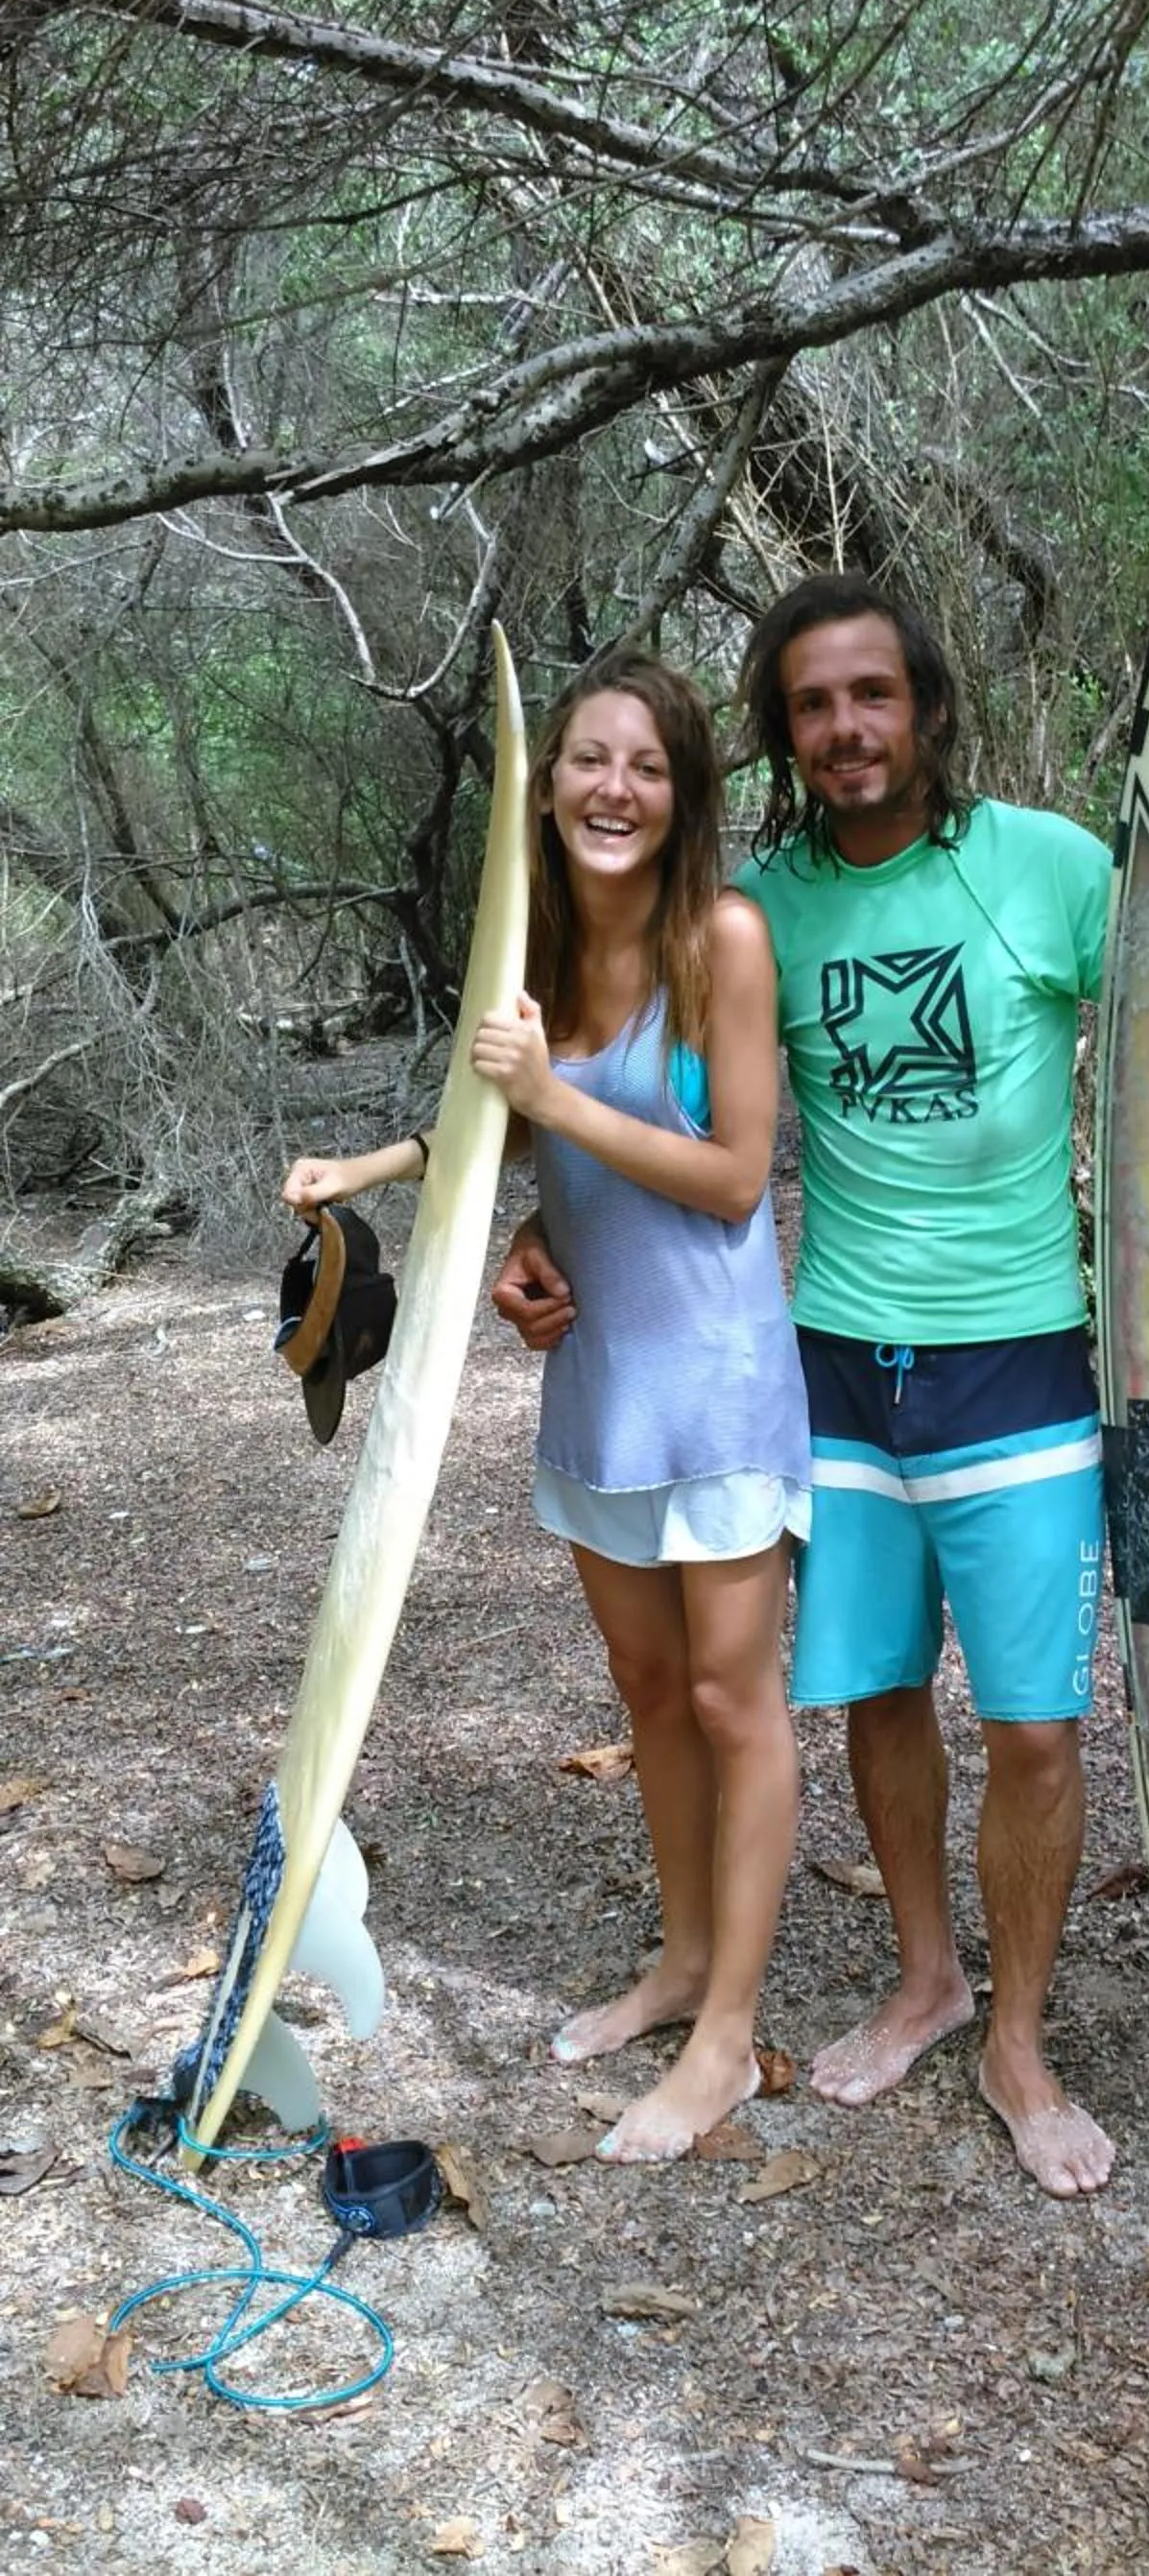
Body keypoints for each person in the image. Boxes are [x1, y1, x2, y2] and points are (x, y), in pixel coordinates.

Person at [504, 575, 1149, 2201]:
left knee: (1039, 1729)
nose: (844, 729)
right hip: (825, 1369)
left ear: (924, 707)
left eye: (871, 697)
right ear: (782, 733)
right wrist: (538, 1243)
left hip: (1030, 1366)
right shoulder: (753, 906)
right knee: (879, 1694)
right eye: (813, 705)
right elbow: (643, 1088)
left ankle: (1020, 2037)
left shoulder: (1044, 870)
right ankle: (926, 1978)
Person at [283, 652, 809, 2165]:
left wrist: (560, 1100)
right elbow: (473, 1124)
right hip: (598, 1384)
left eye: (644, 765)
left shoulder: (724, 941)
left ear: (682, 790)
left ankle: (726, 2041)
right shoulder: (534, 965)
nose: (613, 788)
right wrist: (359, 1177)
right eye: (587, 759)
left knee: (731, 1701)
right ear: (547, 783)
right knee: (649, 1700)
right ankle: (684, 1958)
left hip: (716, 1385)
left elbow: (729, 1182)